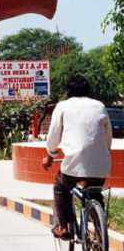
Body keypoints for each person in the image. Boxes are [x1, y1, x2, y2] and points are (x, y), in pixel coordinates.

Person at [42, 74, 112, 239]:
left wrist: (50, 156)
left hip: (73, 165)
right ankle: (101, 234)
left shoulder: (63, 106)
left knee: (61, 187)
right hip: (100, 164)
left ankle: (64, 227)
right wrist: (104, 152)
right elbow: (107, 136)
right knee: (94, 193)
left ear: (68, 91)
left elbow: (53, 137)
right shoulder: (100, 106)